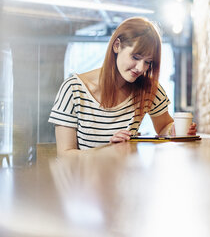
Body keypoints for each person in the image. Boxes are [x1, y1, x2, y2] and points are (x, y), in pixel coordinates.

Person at [48, 17, 197, 155]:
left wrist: (174, 130)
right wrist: (107, 152)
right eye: (136, 57)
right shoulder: (73, 90)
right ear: (117, 46)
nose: (140, 68)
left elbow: (164, 125)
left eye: (148, 62)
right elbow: (65, 155)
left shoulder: (148, 89)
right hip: (84, 181)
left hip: (127, 178)